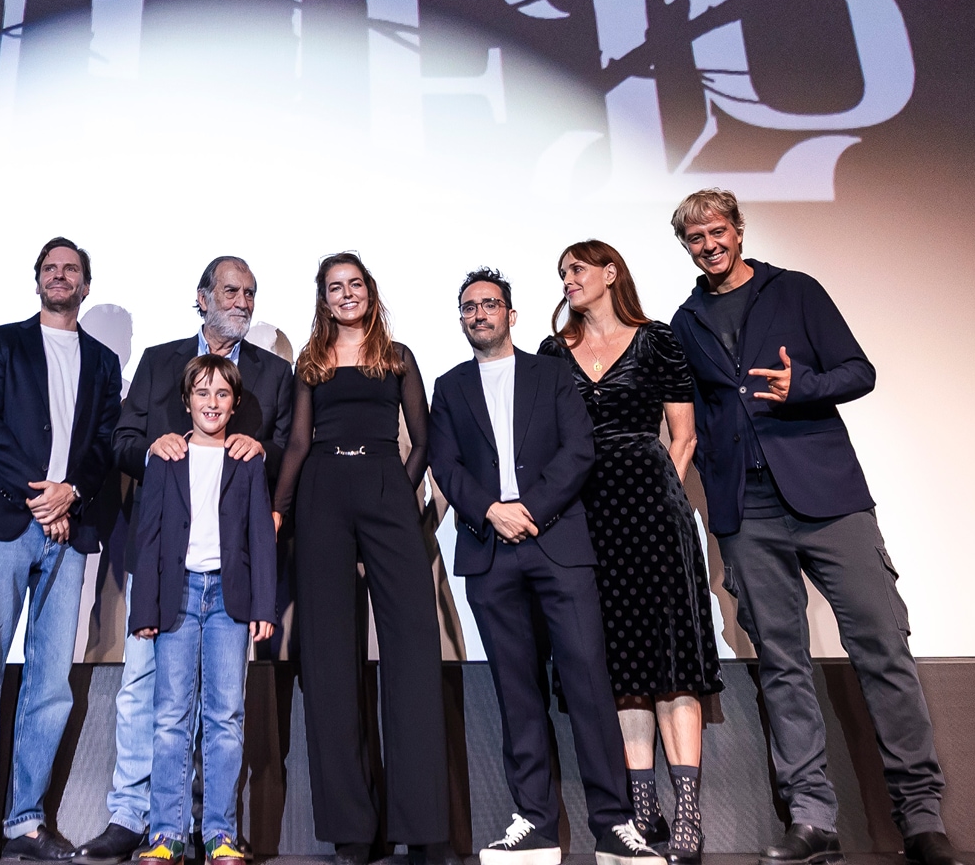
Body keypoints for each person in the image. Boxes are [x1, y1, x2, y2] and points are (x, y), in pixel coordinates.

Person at [666, 189, 964, 865]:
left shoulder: (795, 291)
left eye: (717, 231)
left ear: (738, 231)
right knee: (782, 665)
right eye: (694, 238)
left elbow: (859, 371)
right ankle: (811, 821)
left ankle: (922, 821)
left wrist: (800, 388)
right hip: (749, 512)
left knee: (884, 650)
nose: (708, 244)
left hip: (829, 500)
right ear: (686, 246)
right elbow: (695, 418)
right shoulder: (684, 321)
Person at [427, 268, 664, 865]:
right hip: (490, 551)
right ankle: (534, 823)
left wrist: (528, 509)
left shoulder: (552, 373)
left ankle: (613, 826)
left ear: (511, 314)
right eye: (468, 307)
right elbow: (445, 463)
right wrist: (488, 510)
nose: (478, 314)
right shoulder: (450, 386)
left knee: (588, 682)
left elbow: (579, 450)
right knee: (517, 691)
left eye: (489, 304)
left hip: (558, 545)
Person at [78, 257, 297, 865]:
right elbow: (122, 441)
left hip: (229, 583)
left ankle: (217, 827)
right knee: (152, 701)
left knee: (223, 713)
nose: (243, 300)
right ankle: (143, 823)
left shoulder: (274, 374)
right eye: (231, 290)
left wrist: (263, 449)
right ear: (201, 297)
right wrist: (152, 446)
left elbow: (283, 453)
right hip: (166, 572)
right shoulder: (157, 361)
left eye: (251, 292)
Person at [0, 238, 124, 865]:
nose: (60, 277)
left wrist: (71, 496)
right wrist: (41, 496)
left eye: (71, 270)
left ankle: (25, 821)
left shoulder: (101, 360)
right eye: (51, 268)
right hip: (4, 526)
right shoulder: (6, 344)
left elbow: (103, 443)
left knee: (50, 683)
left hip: (69, 531)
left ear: (85, 285)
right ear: (37, 280)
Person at [535, 240, 721, 862]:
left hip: (653, 518)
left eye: (577, 269)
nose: (567, 280)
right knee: (616, 668)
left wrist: (657, 501)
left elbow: (684, 434)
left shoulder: (658, 340)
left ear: (610, 273)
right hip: (585, 519)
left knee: (670, 663)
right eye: (561, 273)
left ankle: (688, 814)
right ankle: (644, 810)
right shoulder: (552, 354)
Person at [273, 252, 451, 865]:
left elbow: (422, 441)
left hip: (385, 487)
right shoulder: (311, 362)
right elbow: (297, 442)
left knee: (413, 650)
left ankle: (424, 827)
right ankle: (353, 829)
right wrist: (279, 509)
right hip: (321, 491)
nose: (345, 295)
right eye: (334, 288)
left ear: (370, 292)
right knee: (327, 659)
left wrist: (396, 492)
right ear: (323, 300)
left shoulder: (397, 357)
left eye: (354, 285)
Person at [126, 355, 281, 865]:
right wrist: (143, 607)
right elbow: (147, 537)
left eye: (221, 394)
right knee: (171, 715)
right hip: (179, 597)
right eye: (201, 393)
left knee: (225, 716)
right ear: (186, 400)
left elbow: (261, 535)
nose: (211, 403)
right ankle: (166, 834)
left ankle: (219, 833)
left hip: (228, 601)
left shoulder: (248, 459)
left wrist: (264, 605)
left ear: (234, 403)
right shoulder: (166, 456)